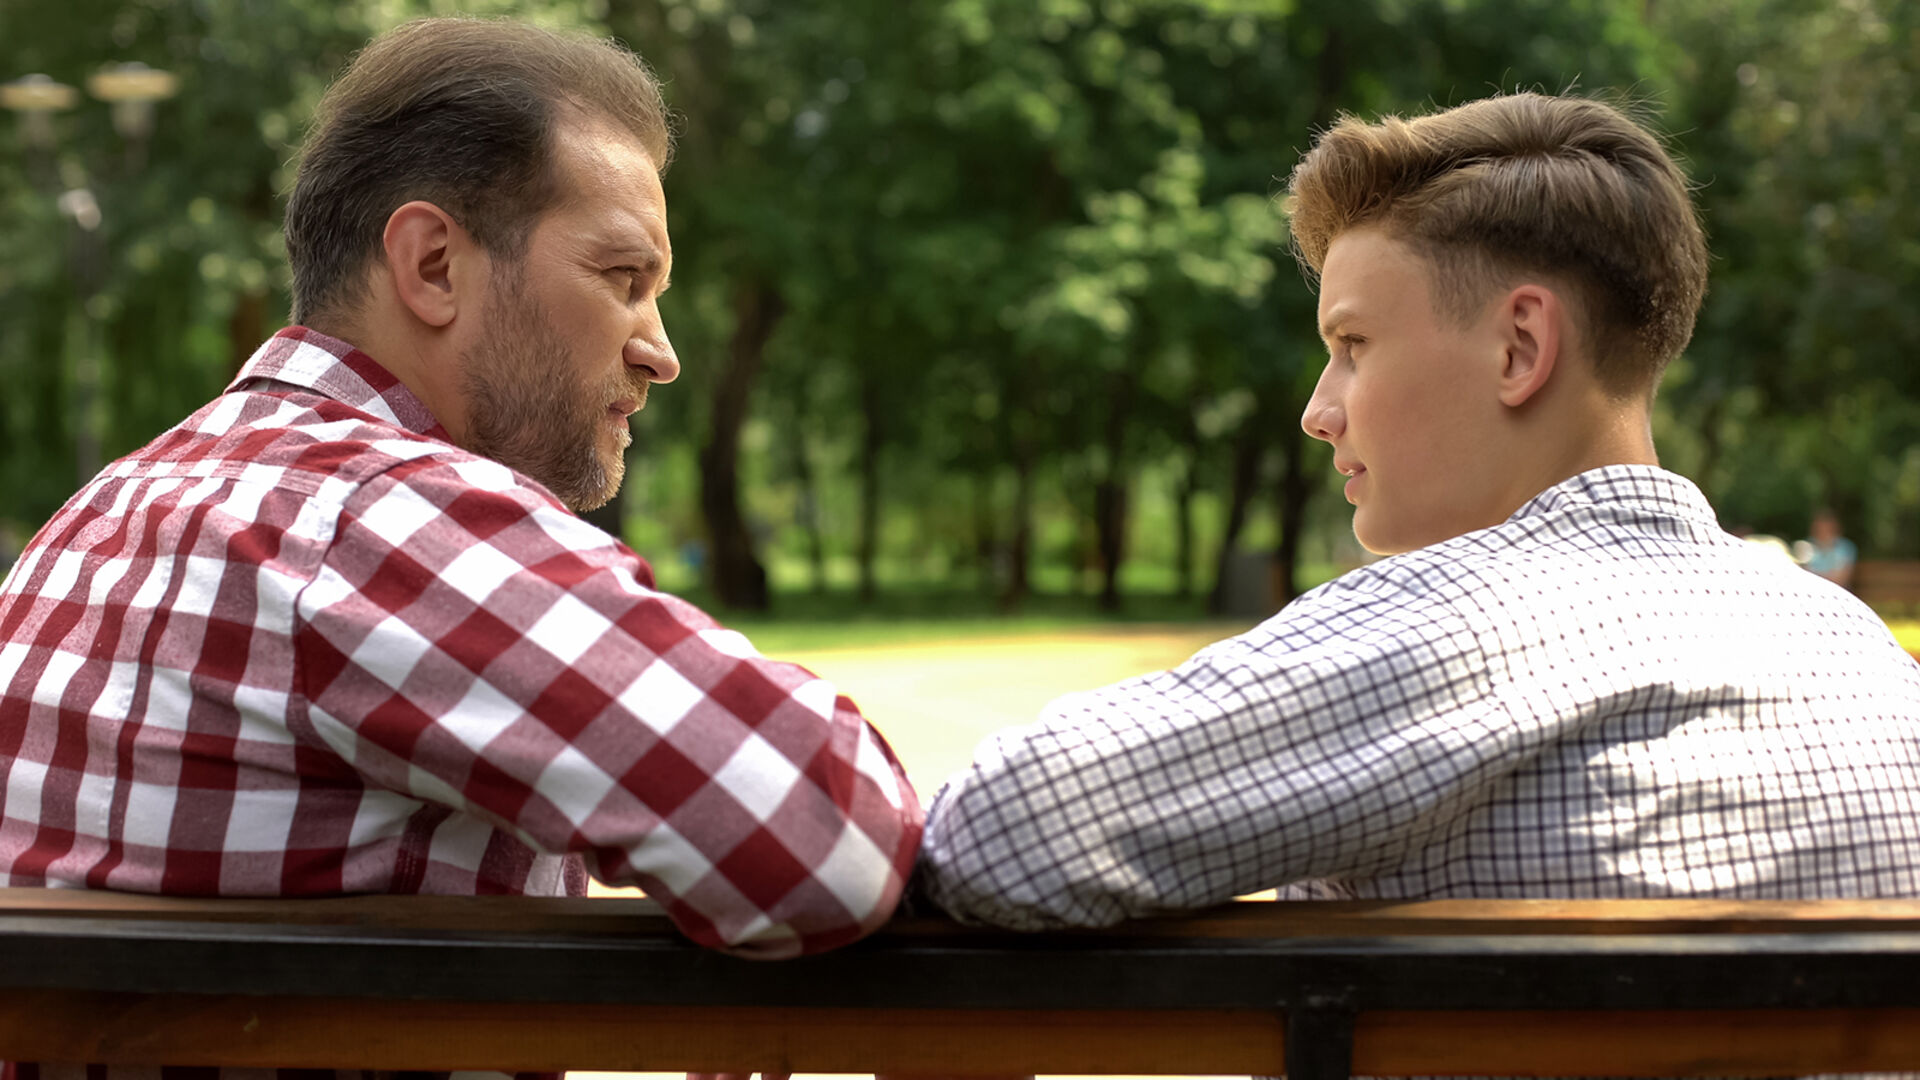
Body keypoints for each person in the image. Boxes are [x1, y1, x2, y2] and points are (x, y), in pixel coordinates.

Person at [0, 13, 922, 983]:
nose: (661, 352)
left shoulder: (96, 517)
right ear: (433, 265)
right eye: (623, 277)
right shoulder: (371, 521)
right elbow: (831, 838)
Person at [920, 91, 1920, 929]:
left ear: (1519, 348)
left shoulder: (1448, 626)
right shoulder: (1859, 650)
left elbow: (1001, 833)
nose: (1319, 411)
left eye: (1353, 345)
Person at [1801, 508, 1858, 589]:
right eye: (1819, 525)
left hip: (1838, 592)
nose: (1822, 529)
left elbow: (1841, 579)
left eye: (1826, 525)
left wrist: (1817, 577)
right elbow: (1803, 577)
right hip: (1811, 591)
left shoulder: (1846, 547)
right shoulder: (1805, 546)